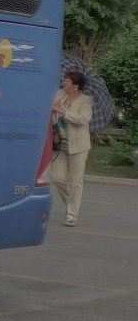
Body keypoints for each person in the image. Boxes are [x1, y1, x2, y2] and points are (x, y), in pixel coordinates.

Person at [50, 71, 92, 227]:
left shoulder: (86, 101)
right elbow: (50, 109)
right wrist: (53, 109)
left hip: (78, 146)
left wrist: (64, 111)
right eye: (65, 80)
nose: (64, 83)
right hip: (60, 143)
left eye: (67, 82)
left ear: (76, 86)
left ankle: (72, 214)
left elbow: (84, 120)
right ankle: (71, 204)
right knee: (58, 178)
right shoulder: (59, 94)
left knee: (76, 181)